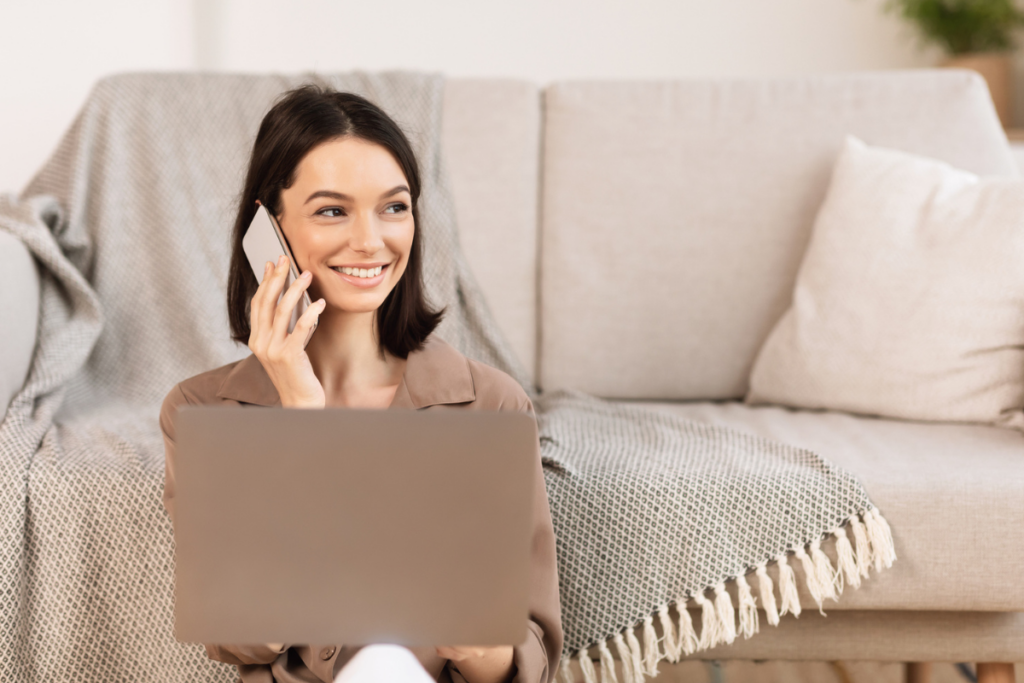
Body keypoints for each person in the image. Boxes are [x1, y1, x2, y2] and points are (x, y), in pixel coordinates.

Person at [159, 86, 563, 683]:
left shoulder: (490, 405)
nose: (371, 241)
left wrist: (473, 641)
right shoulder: (202, 411)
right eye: (332, 210)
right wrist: (301, 413)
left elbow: (527, 655)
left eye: (393, 208)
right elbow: (243, 638)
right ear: (266, 230)